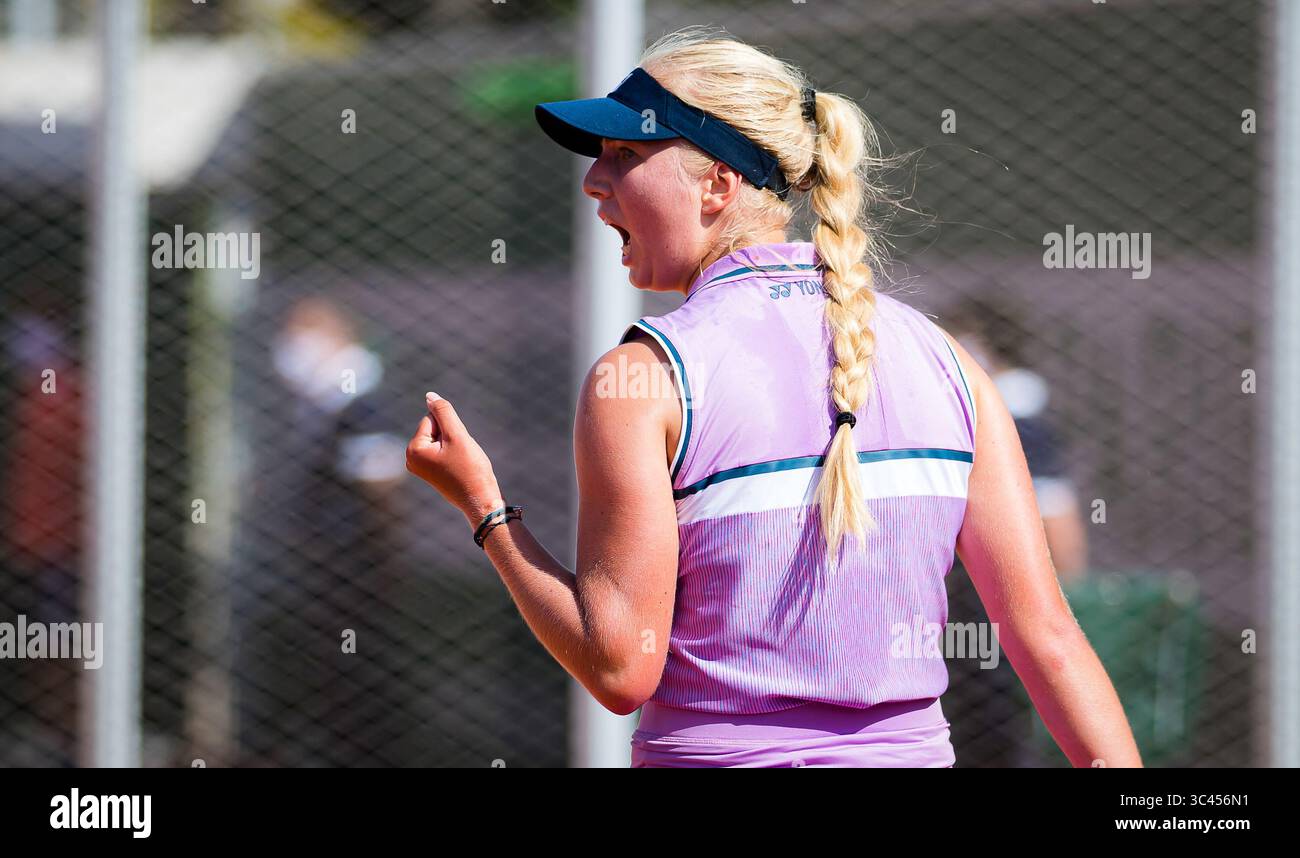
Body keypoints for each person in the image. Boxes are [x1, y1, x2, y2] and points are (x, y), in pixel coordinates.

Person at [405, 28, 1141, 767]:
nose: (594, 181)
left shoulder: (643, 379)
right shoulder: (950, 364)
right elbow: (1046, 639)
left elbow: (620, 668)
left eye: (624, 156)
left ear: (718, 185)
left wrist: (486, 511)